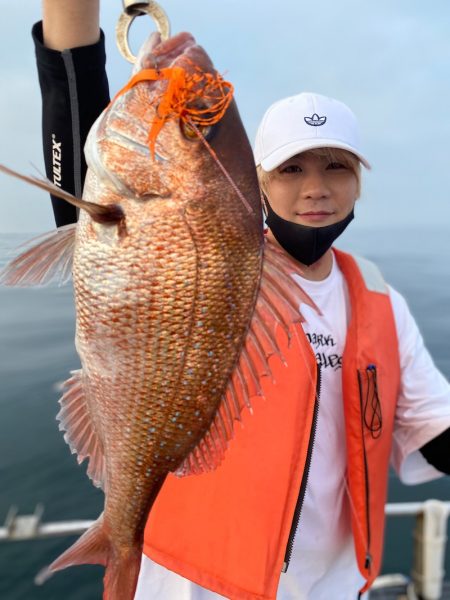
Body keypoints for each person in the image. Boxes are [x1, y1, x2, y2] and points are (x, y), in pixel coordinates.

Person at [33, 2, 450, 599]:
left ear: (359, 181)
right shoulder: (200, 258)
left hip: (333, 588)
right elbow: (79, 114)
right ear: (252, 179)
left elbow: (431, 423)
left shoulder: (381, 299)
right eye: (291, 169)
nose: (316, 188)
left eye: (336, 166)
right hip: (190, 587)